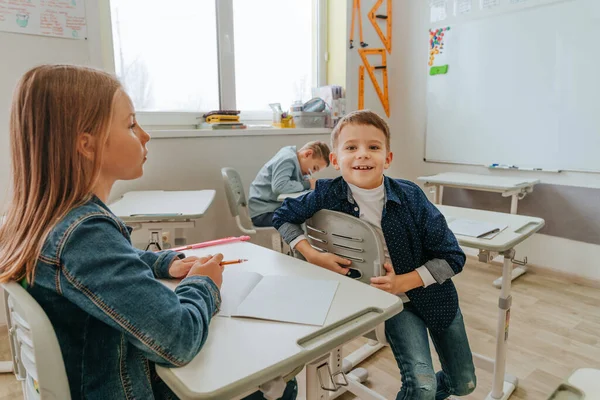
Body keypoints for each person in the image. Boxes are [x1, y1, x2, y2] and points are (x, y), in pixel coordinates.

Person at [0, 64, 296, 400]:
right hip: (120, 387)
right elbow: (178, 339)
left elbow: (98, 267)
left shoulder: (42, 219)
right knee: (280, 384)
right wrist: (205, 283)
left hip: (94, 375)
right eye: (130, 124)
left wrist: (163, 263)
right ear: (86, 143)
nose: (145, 135)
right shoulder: (85, 233)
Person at [273, 110, 476, 400]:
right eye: (352, 147)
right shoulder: (326, 193)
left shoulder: (411, 196)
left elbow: (453, 257)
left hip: (434, 294)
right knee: (422, 386)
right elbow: (282, 215)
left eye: (373, 147)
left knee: (463, 385)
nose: (363, 155)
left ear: (387, 158)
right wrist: (312, 255)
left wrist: (406, 281)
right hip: (392, 305)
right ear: (334, 159)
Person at [248, 141, 330, 227]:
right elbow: (279, 187)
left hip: (271, 208)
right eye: (314, 168)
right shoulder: (287, 159)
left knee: (307, 213)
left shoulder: (295, 162)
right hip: (263, 213)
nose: (312, 172)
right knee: (302, 219)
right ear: (307, 154)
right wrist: (308, 184)